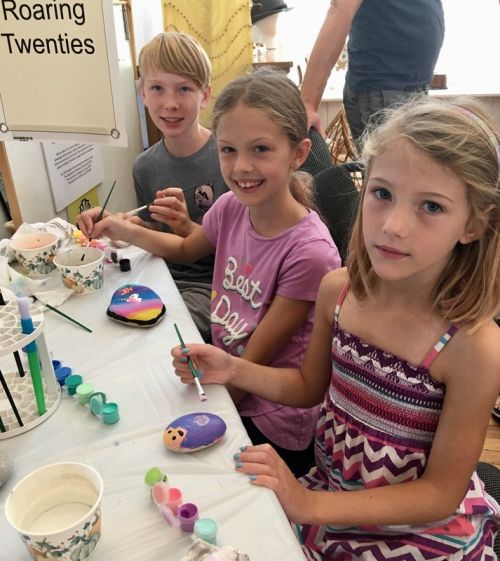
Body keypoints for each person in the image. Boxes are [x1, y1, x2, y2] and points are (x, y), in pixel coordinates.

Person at [171, 96, 500, 559]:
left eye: (431, 206)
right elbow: (309, 386)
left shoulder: (473, 347)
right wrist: (232, 369)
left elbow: (439, 494)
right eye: (382, 194)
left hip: (416, 531)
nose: (393, 226)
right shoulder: (338, 292)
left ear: (474, 224)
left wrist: (309, 504)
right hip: (329, 494)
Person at [79, 69, 341, 477]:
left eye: (260, 149)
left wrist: (195, 413)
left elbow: (257, 358)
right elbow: (186, 247)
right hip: (224, 379)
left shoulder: (310, 254)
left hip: (271, 417)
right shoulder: (232, 207)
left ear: (299, 152)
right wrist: (119, 226)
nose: (241, 167)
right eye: (228, 150)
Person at [78, 32, 227, 343]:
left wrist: (185, 226)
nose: (170, 104)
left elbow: (237, 245)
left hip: (216, 286)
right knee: (99, 319)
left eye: (184, 89)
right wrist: (124, 223)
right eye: (157, 88)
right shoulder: (144, 166)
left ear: (204, 94)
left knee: (155, 339)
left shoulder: (227, 157)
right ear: (142, 92)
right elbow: (153, 229)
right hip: (159, 275)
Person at [300, 0, 444, 147]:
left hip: (411, 89)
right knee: (395, 168)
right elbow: (340, 10)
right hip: (382, 91)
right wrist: (308, 103)